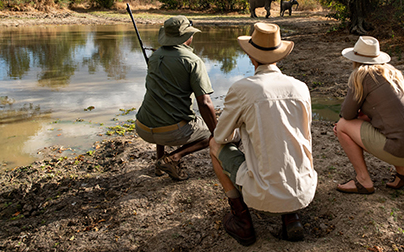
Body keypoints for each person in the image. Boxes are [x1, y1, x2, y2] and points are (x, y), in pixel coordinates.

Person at [209, 22, 316, 245]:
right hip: (303, 189)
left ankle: (242, 221)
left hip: (264, 192)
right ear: (279, 56)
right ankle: (291, 216)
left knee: (214, 146)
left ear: (251, 58)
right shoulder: (300, 87)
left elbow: (220, 137)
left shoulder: (243, 89)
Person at [334, 36, 404, 194]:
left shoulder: (361, 75)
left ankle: (363, 180)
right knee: (393, 124)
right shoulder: (392, 72)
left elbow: (347, 114)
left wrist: (358, 117)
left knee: (342, 126)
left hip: (403, 148)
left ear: (355, 58)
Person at [135, 16, 217, 181]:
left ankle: (159, 163)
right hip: (170, 132)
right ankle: (173, 158)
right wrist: (218, 133)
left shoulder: (155, 56)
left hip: (142, 127)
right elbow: (205, 103)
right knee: (212, 133)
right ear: (188, 36)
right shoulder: (193, 61)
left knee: (161, 106)